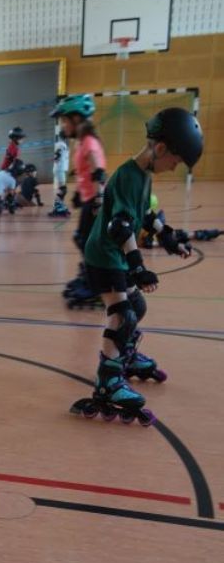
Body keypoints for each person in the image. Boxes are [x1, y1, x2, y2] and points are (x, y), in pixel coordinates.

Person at [71, 107, 203, 425]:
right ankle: (108, 381)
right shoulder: (128, 176)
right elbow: (120, 227)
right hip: (104, 256)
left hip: (114, 255)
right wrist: (138, 266)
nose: (174, 168)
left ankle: (125, 358)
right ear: (161, 149)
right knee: (123, 315)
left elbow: (143, 214)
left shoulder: (142, 175)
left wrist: (169, 237)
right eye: (175, 161)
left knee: (137, 307)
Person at [51, 94, 107, 309]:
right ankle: (89, 278)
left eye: (64, 121)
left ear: (76, 119)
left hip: (95, 201)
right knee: (84, 241)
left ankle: (96, 286)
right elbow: (85, 172)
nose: (63, 126)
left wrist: (98, 199)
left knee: (87, 242)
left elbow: (98, 171)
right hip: (89, 198)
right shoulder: (83, 141)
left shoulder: (89, 142)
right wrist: (78, 193)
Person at [49, 130, 71, 217]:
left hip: (60, 169)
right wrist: (56, 158)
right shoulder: (61, 144)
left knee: (62, 189)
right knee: (63, 189)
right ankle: (57, 208)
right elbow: (57, 155)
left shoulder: (62, 144)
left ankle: (59, 206)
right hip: (59, 169)